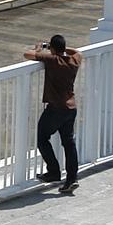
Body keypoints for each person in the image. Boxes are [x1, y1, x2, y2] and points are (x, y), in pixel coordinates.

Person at [23, 33, 82, 194]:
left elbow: (27, 54)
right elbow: (77, 51)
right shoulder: (74, 60)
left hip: (56, 108)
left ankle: (54, 171)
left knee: (42, 139)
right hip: (71, 108)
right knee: (69, 144)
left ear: (53, 49)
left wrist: (41, 49)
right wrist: (55, 48)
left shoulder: (53, 60)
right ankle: (72, 179)